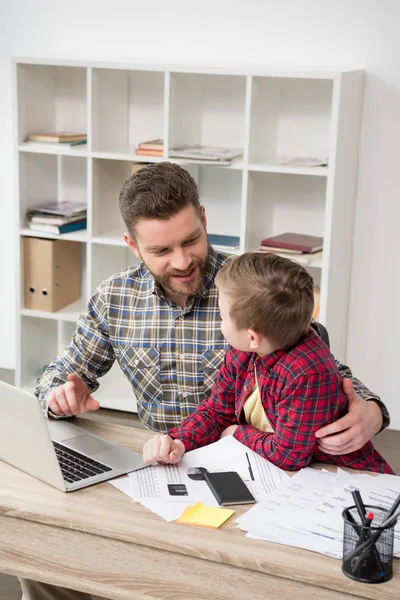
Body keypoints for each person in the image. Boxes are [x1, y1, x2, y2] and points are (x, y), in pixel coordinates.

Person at [21, 163, 390, 600]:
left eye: (191, 240)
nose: (181, 262)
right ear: (132, 245)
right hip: (165, 461)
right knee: (42, 552)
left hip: (258, 476)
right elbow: (58, 373)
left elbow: (326, 370)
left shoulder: (249, 288)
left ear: (204, 219)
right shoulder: (115, 298)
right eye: (161, 250)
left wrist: (371, 409)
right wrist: (60, 392)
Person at [143, 252, 393, 474]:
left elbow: (289, 455)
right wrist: (179, 440)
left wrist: (237, 434)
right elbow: (217, 411)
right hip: (274, 470)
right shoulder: (243, 352)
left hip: (345, 479)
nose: (220, 324)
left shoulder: (307, 373)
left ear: (253, 337)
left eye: (221, 316)